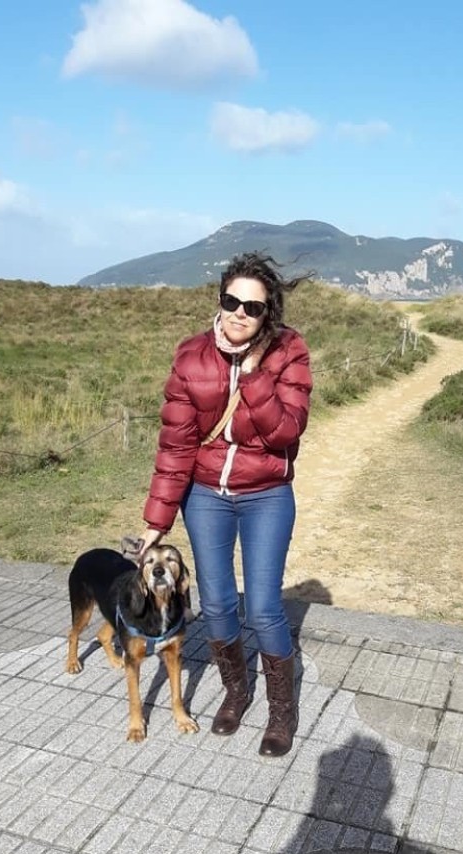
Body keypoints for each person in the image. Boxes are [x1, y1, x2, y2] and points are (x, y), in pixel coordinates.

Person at [140, 252, 312, 756]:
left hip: (266, 495)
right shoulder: (191, 356)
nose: (239, 313)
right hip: (205, 496)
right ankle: (237, 692)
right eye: (231, 301)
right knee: (215, 603)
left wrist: (254, 375)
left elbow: (286, 431)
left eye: (252, 308)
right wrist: (156, 521)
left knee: (262, 607)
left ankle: (282, 710)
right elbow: (176, 446)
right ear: (219, 300)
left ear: (268, 313)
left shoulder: (289, 351)